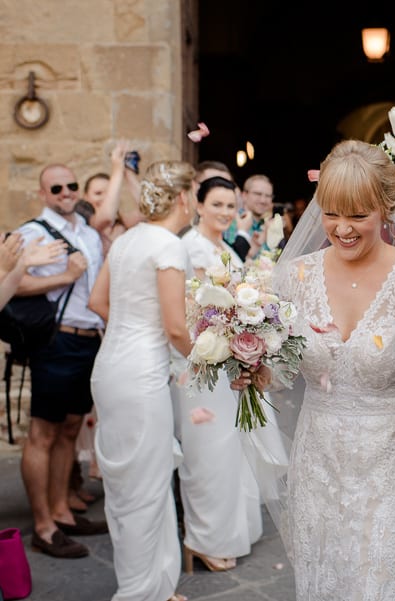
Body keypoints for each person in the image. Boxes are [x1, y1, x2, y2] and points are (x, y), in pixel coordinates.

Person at [260, 139, 395, 600]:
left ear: (386, 209)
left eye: (358, 215)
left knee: (385, 582)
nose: (342, 228)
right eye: (331, 213)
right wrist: (251, 370)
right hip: (319, 456)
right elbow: (279, 370)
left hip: (392, 457)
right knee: (328, 580)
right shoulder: (294, 277)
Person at [89, 160, 196, 601]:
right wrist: (221, 362)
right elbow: (175, 328)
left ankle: (155, 584)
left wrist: (132, 330)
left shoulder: (127, 240)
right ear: (183, 199)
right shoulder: (169, 245)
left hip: (110, 369)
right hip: (140, 375)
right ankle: (139, 593)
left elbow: (97, 301)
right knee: (147, 485)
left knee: (127, 485)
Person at [172, 175, 263, 572]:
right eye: (218, 205)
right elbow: (187, 310)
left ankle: (230, 530)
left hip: (227, 361)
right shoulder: (187, 247)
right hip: (199, 363)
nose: (225, 213)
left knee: (229, 451)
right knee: (205, 453)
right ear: (199, 204)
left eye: (231, 206)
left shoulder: (227, 248)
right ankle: (202, 538)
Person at [17, 163, 108, 559]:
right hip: (56, 342)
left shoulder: (88, 233)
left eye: (72, 185)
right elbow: (13, 284)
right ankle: (43, 525)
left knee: (71, 429)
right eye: (57, 188)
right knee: (43, 433)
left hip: (89, 341)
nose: (67, 192)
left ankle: (61, 511)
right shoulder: (31, 233)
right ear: (43, 193)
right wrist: (64, 277)